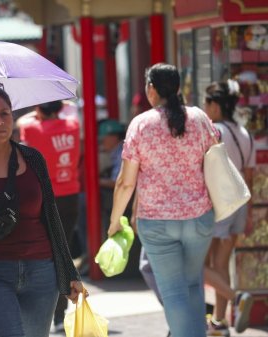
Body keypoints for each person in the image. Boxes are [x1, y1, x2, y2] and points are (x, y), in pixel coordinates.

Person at [0, 83, 83, 337]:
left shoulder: (32, 159)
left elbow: (51, 217)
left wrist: (69, 273)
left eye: (5, 113)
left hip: (42, 271)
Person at [107, 63, 217, 337]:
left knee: (173, 292)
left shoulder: (142, 124)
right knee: (193, 285)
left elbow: (125, 181)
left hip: (157, 223)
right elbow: (214, 161)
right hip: (199, 217)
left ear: (151, 90)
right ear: (178, 88)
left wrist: (114, 221)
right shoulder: (200, 118)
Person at [18, 99, 81, 332]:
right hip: (70, 195)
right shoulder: (73, 125)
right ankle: (60, 313)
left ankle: (55, 311)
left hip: (44, 198)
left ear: (38, 110)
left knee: (49, 255)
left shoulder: (32, 128)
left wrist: (37, 113)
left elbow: (20, 121)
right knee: (63, 252)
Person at [203, 80, 254, 335]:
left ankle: (236, 297)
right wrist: (250, 214)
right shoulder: (244, 133)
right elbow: (249, 175)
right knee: (222, 264)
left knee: (197, 264)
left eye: (206, 102)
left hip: (219, 204)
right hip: (240, 204)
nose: (204, 107)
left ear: (214, 105)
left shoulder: (215, 131)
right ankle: (219, 323)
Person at [98, 119, 127, 238]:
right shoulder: (117, 152)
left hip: (125, 205)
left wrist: (96, 181)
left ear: (114, 137)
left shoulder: (121, 153)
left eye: (103, 139)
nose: (101, 142)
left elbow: (118, 182)